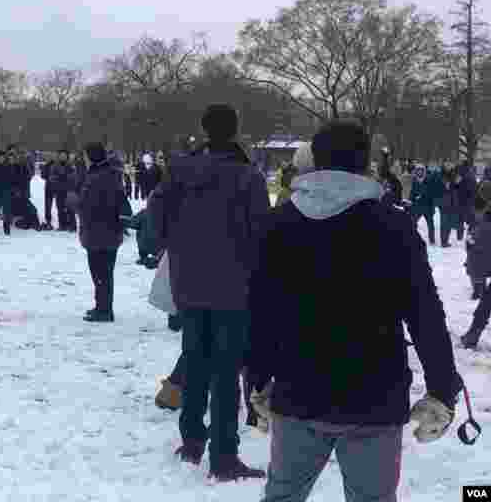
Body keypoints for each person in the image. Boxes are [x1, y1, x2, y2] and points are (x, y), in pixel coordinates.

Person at [246, 121, 462, 501]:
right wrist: (443, 388)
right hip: (374, 396)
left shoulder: (278, 224)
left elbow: (261, 313)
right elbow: (425, 313)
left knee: (282, 496)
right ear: (367, 163)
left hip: (299, 390)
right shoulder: (394, 225)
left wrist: (256, 380)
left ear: (314, 161)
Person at [150, 104, 270, 481]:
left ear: (204, 129)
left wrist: (179, 246)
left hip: (191, 282)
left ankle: (191, 440)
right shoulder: (247, 176)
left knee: (195, 359)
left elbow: (157, 212)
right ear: (235, 130)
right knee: (225, 372)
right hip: (234, 287)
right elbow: (261, 233)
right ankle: (223, 455)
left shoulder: (181, 171)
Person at [73, 142, 128, 322]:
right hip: (110, 231)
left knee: (99, 273)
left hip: (97, 231)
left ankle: (103, 310)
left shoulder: (96, 177)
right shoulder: (112, 174)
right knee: (105, 273)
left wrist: (74, 202)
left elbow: (88, 205)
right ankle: (103, 307)